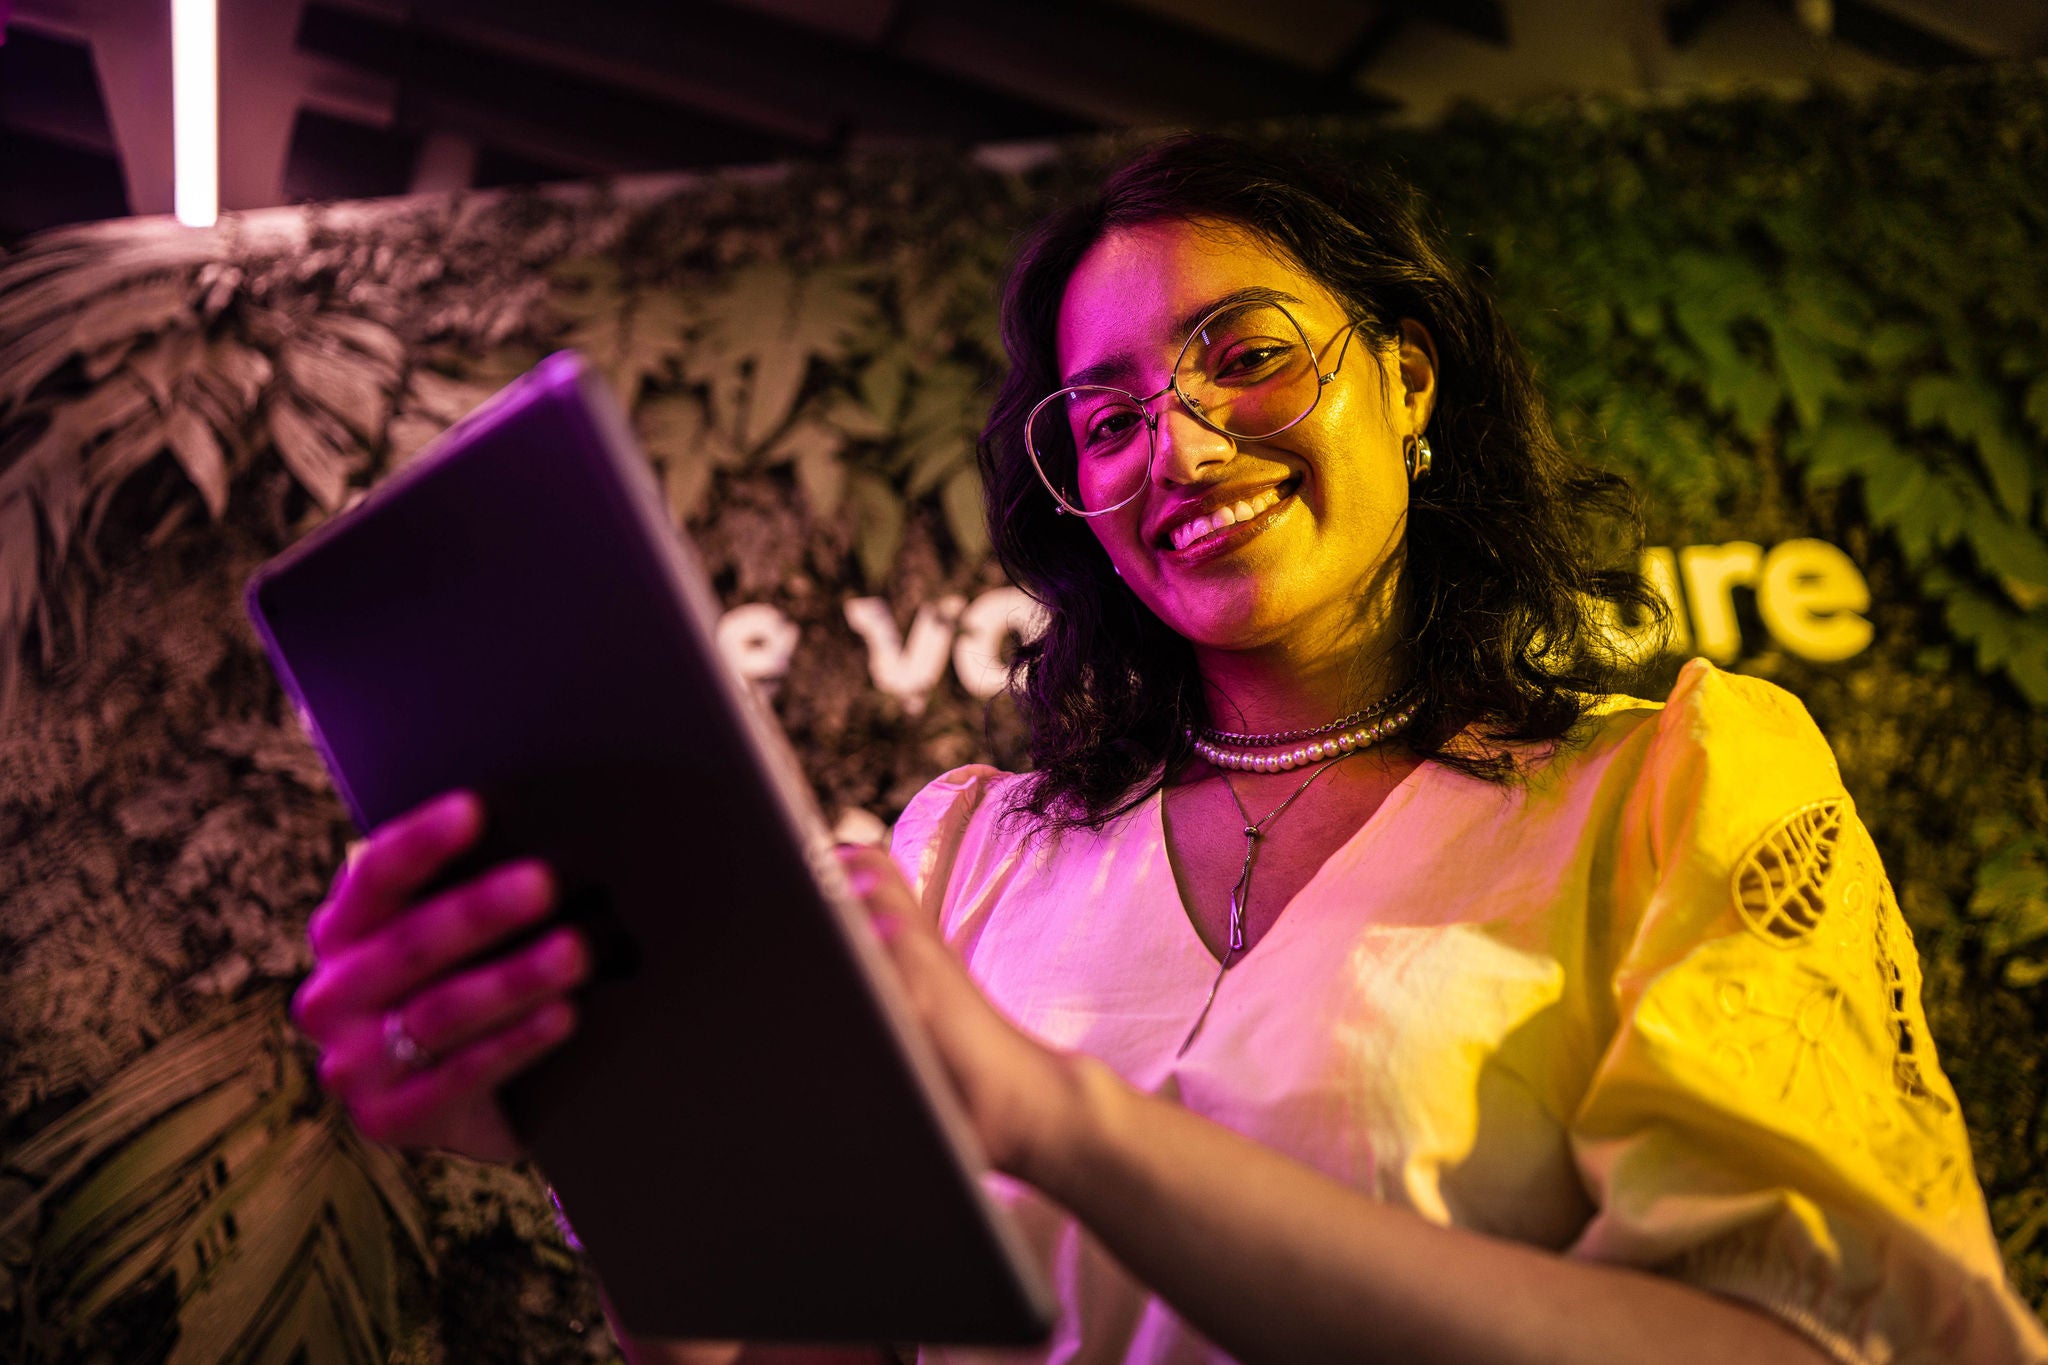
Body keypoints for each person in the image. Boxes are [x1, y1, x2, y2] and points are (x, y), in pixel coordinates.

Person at [290, 135, 2048, 1364]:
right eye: (1110, 414)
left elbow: (1808, 1351)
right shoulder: (975, 852)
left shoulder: (1663, 786)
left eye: (1249, 356)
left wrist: (1058, 1118)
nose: (1182, 445)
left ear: (1410, 382)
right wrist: (610, 1145)